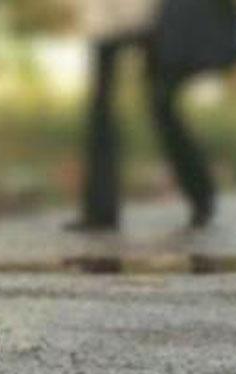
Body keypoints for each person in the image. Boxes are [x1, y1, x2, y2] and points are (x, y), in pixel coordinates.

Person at [77, 0, 220, 231]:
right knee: (107, 109)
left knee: (157, 105)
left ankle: (201, 193)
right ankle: (100, 209)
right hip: (114, 16)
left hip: (150, 16)